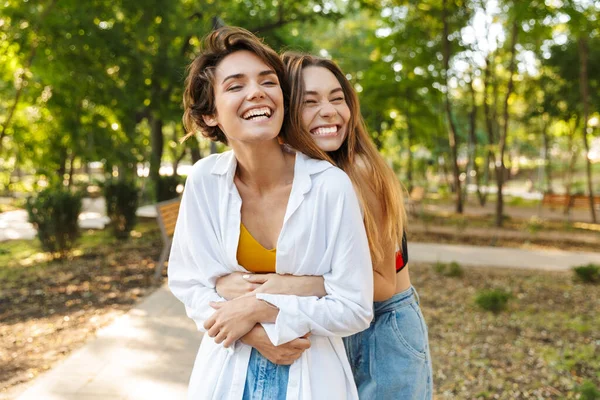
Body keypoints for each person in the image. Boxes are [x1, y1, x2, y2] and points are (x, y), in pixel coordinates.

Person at [168, 27, 374, 400]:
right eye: (235, 86)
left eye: (268, 81)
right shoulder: (205, 181)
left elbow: (354, 308)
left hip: (312, 372)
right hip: (226, 371)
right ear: (211, 114)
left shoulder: (330, 186)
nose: (257, 92)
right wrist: (251, 331)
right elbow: (187, 282)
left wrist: (259, 305)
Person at [216, 53, 433, 399]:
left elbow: (381, 284)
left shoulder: (358, 172)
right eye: (310, 102)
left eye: (337, 98)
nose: (330, 111)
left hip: (381, 329)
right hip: (328, 328)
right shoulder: (301, 178)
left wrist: (293, 286)